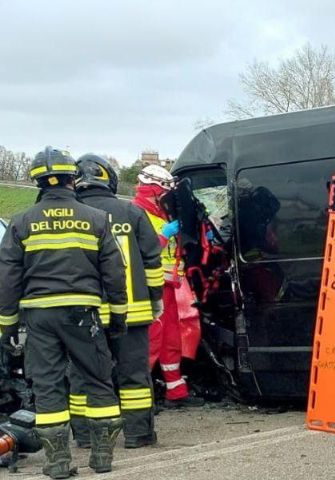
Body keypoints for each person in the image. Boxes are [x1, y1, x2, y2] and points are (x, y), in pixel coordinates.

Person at [0, 147, 126, 477]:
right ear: (73, 179)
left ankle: (57, 463)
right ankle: (102, 459)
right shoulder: (96, 219)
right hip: (84, 314)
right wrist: (119, 317)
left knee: (47, 385)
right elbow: (115, 272)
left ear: (37, 183)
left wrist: (8, 325)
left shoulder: (21, 222)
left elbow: (8, 278)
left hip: (39, 318)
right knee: (99, 380)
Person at [67, 154, 164, 449]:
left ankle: (85, 436)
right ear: (108, 178)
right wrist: (156, 299)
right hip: (133, 314)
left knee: (83, 376)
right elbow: (152, 261)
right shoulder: (131, 212)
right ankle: (138, 435)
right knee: (134, 374)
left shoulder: (70, 214)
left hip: (84, 313)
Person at [132, 165, 204, 408]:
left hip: (169, 285)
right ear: (152, 190)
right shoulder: (136, 214)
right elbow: (141, 252)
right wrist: (164, 234)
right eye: (163, 193)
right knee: (151, 340)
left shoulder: (161, 213)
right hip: (148, 287)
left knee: (171, 339)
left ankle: (176, 391)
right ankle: (140, 397)